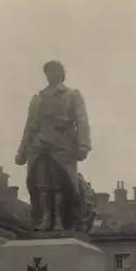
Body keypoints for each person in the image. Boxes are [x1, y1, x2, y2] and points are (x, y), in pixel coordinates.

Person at [15, 60, 92, 231]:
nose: (51, 74)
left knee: (60, 184)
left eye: (55, 70)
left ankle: (59, 220)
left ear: (61, 74)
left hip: (62, 143)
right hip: (39, 144)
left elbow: (82, 120)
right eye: (48, 71)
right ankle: (45, 218)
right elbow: (29, 126)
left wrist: (83, 144)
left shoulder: (72, 95)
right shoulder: (38, 98)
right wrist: (22, 151)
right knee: (42, 184)